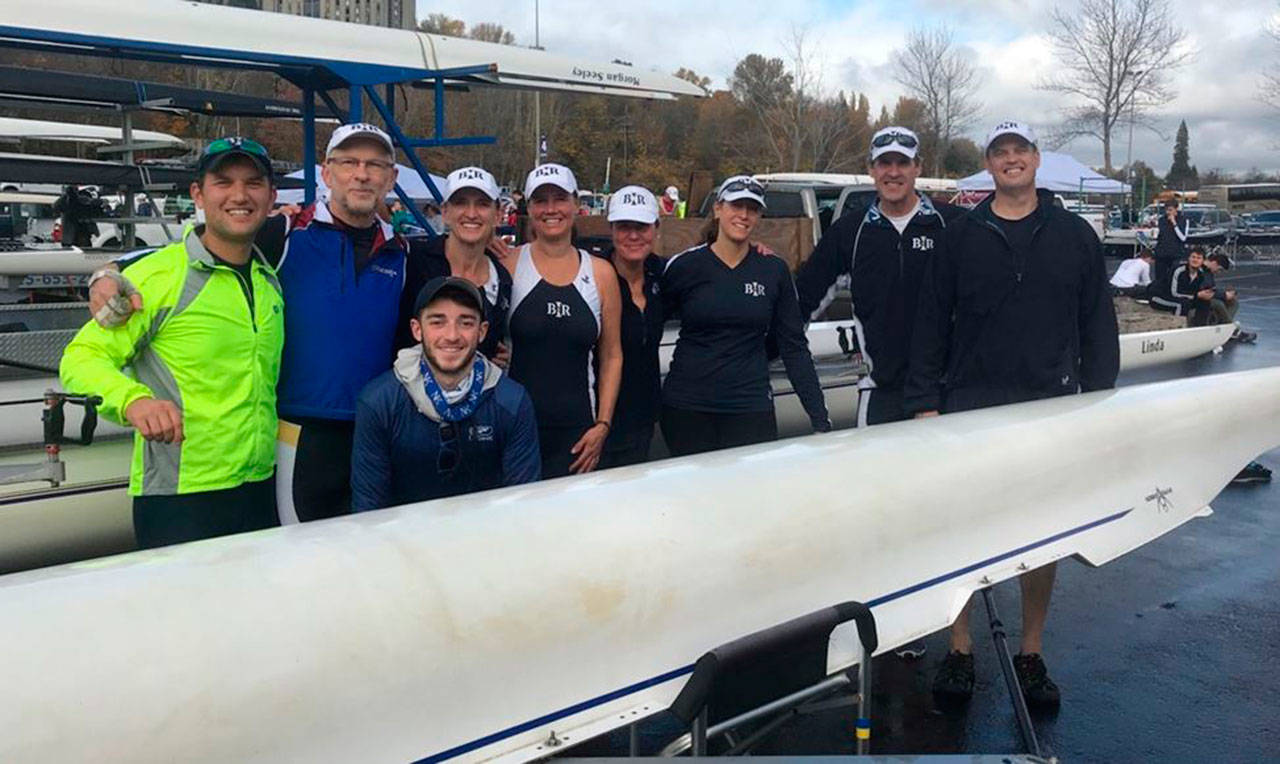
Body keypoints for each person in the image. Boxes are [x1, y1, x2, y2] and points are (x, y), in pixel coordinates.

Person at [88, 123, 411, 524]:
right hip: (298, 434)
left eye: (374, 165)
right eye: (349, 163)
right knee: (299, 550)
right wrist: (108, 271)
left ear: (391, 178)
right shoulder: (285, 231)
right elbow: (195, 248)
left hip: (373, 430)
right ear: (327, 173)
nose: (361, 174)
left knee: (369, 547)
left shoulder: (402, 250)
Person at [905, 120, 1119, 709]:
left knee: (1041, 534)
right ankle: (959, 648)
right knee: (961, 527)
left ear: (1036, 158)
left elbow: (1098, 322)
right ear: (990, 164)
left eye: (1019, 150)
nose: (1011, 159)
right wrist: (925, 402)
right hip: (969, 405)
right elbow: (931, 319)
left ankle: (1030, 651)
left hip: (1050, 404)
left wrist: (1100, 398)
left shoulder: (1074, 235)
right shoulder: (961, 234)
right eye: (1000, 152)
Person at [60, 137, 285, 549]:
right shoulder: (157, 277)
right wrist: (133, 401)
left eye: (253, 183)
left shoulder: (267, 279)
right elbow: (81, 357)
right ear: (198, 194)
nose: (239, 195)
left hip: (259, 486)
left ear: (271, 198)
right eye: (223, 182)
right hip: (181, 497)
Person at [796, 126, 963, 429]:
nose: (893, 172)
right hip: (880, 392)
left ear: (918, 167)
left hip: (946, 389)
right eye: (885, 163)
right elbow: (801, 302)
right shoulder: (849, 232)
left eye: (903, 162)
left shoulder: (952, 225)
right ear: (871, 169)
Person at [660, 175, 831, 456]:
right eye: (736, 206)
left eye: (752, 209)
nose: (743, 215)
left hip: (749, 405)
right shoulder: (685, 266)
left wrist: (819, 418)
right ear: (718, 209)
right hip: (687, 407)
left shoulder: (773, 270)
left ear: (759, 216)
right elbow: (648, 329)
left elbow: (794, 347)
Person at [351, 277, 539, 510]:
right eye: (437, 322)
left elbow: (522, 506)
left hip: (486, 532)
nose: (452, 335)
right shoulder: (378, 402)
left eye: (466, 323)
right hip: (405, 533)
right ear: (417, 329)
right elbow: (368, 510)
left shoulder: (512, 401)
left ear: (482, 331)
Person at [503, 163, 623, 478]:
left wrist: (603, 424)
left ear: (576, 204)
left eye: (560, 199)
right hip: (514, 428)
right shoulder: (509, 265)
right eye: (541, 200)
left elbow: (612, 355)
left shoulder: (601, 273)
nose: (551, 209)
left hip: (578, 433)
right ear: (529, 208)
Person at [398, 166, 513, 364]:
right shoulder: (411, 260)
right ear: (445, 212)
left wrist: (490, 361)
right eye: (460, 203)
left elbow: (490, 344)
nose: (471, 213)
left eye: (482, 204)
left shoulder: (502, 279)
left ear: (497, 214)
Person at [601, 185, 666, 468]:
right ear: (612, 230)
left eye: (642, 227)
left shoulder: (662, 274)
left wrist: (755, 249)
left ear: (656, 229)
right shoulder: (592, 274)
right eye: (624, 227)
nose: (633, 236)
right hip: (597, 420)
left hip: (642, 417)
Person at [1150, 246, 1211, 318]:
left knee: (1205, 302)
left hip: (1182, 297)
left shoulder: (1201, 273)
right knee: (1182, 304)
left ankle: (1200, 324)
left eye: (1198, 258)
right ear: (1189, 259)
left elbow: (1197, 291)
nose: (1195, 260)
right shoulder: (1178, 270)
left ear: (1203, 261)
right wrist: (1196, 295)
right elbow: (1174, 293)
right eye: (1193, 257)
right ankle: (1179, 324)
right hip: (1161, 296)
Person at [1152, 198, 1189, 285]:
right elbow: (1160, 235)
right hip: (1162, 253)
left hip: (1176, 254)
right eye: (1166, 210)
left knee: (1174, 278)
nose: (1168, 212)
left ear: (1176, 209)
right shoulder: (1162, 220)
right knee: (1160, 279)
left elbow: (1183, 238)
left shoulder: (1183, 220)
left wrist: (1174, 223)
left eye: (1170, 210)